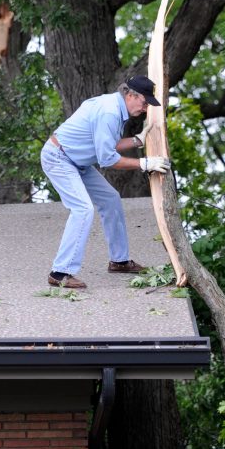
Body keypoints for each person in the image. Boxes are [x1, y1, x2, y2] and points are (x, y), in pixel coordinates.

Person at [41, 75, 170, 289]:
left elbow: (106, 143)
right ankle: (60, 272)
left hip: (76, 161)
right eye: (145, 103)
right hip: (59, 158)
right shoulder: (109, 112)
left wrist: (138, 140)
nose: (146, 109)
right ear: (130, 95)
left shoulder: (114, 106)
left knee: (110, 199)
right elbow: (107, 159)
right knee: (83, 209)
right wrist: (145, 163)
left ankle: (119, 261)